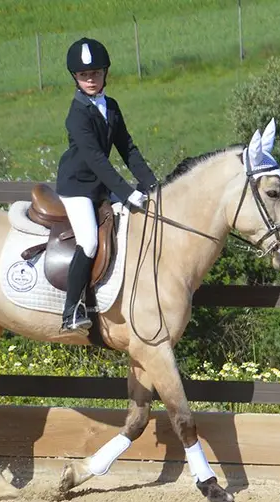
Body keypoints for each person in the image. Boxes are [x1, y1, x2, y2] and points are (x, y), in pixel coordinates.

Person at [55, 37, 158, 334]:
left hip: (100, 184)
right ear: (75, 78)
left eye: (96, 73)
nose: (90, 79)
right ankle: (72, 309)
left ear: (105, 74)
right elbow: (98, 160)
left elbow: (127, 148)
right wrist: (127, 193)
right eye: (84, 75)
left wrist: (152, 184)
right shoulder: (76, 115)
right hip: (77, 186)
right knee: (88, 241)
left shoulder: (110, 106)